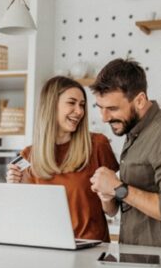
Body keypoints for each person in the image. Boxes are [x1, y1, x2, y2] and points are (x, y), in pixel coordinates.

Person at [89, 58, 161, 250]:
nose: (104, 118)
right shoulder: (135, 133)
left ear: (140, 100)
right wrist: (108, 194)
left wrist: (119, 188)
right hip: (138, 260)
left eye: (112, 108)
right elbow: (118, 209)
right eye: (100, 108)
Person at [6, 76, 119, 242]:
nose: (79, 111)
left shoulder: (97, 145)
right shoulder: (28, 155)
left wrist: (107, 197)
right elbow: (25, 215)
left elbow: (112, 210)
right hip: (47, 247)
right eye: (71, 103)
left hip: (90, 250)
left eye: (82, 105)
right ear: (51, 106)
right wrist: (16, 187)